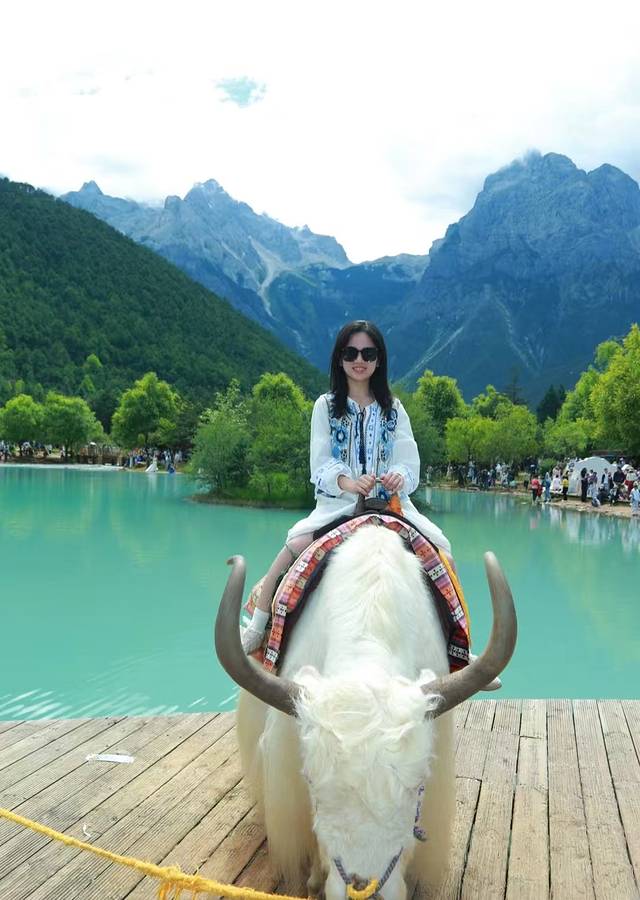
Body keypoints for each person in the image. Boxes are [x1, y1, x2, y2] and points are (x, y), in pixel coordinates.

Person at [241, 320, 452, 654]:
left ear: (379, 360)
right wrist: (350, 483)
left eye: (368, 353)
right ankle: (258, 625)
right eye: (351, 353)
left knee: (443, 551)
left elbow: (408, 459)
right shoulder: (325, 406)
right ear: (339, 358)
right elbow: (321, 461)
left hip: (392, 507)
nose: (359, 360)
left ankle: (456, 645)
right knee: (293, 547)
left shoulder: (394, 409)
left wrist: (398, 476)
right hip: (338, 506)